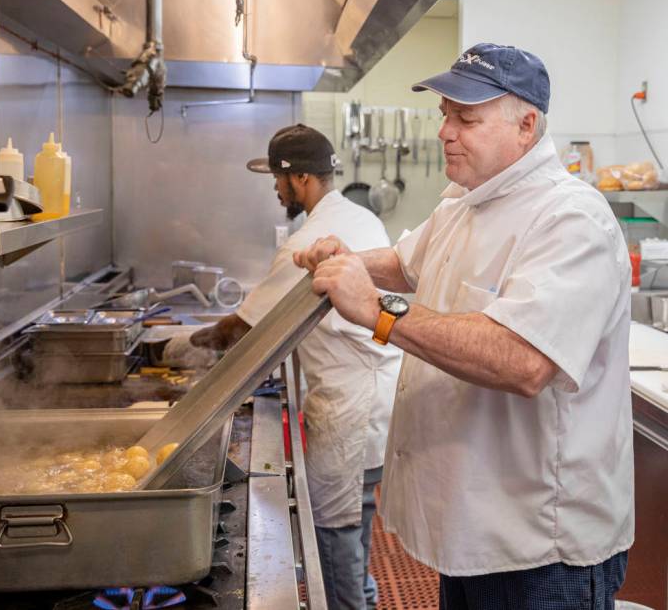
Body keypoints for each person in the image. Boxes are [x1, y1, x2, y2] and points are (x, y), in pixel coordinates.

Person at [293, 44, 634, 609]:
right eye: (445, 115)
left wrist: (377, 310)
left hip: (543, 552)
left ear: (526, 125)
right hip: (472, 531)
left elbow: (523, 361)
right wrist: (347, 258)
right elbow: (406, 263)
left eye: (466, 119)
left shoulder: (571, 219)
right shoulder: (463, 201)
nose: (445, 132)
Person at [190, 124, 401, 609]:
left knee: (335, 541)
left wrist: (174, 350)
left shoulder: (307, 241)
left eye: (279, 179)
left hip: (347, 410)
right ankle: (362, 598)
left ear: (302, 178)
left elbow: (241, 332)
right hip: (380, 398)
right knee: (356, 531)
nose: (275, 188)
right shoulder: (361, 217)